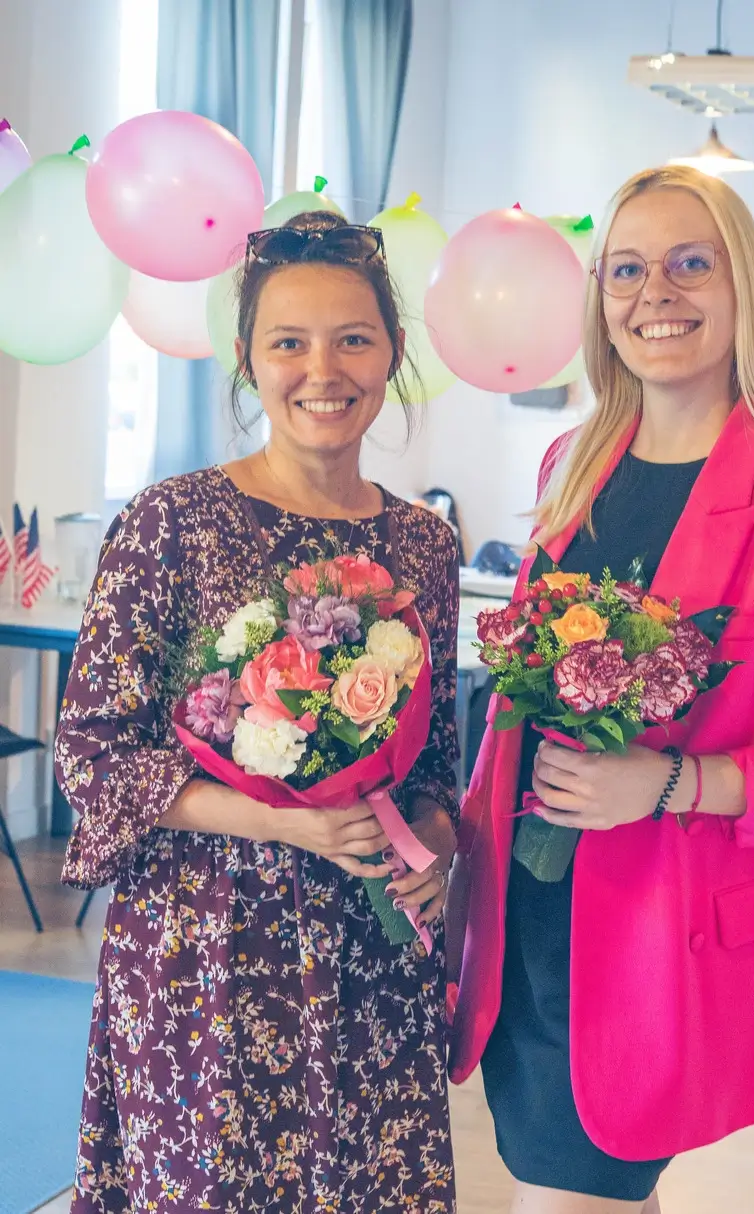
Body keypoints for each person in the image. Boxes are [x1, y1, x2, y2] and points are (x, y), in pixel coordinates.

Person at [447, 165, 754, 1214]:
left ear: (741, 286)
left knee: (569, 1189)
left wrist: (670, 784)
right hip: (529, 907)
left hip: (663, 935)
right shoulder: (571, 462)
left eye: (689, 263)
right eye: (625, 270)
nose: (654, 292)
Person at [56, 212, 461, 1213]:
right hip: (206, 956)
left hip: (370, 961)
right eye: (288, 342)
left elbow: (434, 769)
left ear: (392, 353)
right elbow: (93, 756)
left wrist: (436, 852)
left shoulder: (423, 545)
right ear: (246, 360)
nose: (322, 370)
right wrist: (284, 822)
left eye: (352, 339)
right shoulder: (172, 521)